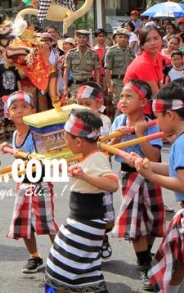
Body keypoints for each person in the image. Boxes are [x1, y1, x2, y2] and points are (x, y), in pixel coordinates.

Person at [133, 84, 184, 292]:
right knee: (179, 258)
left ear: (169, 115)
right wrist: (146, 164)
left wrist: (150, 175)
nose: (156, 122)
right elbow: (177, 169)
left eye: (157, 116)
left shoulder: (183, 143)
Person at [45, 109, 118, 293]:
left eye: (66, 139)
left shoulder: (98, 157)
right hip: (80, 222)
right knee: (73, 268)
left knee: (62, 268)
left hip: (85, 225)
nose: (65, 143)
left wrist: (84, 175)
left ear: (78, 141)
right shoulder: (88, 156)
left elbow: (112, 184)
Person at [109, 80, 164, 291]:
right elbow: (107, 150)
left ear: (143, 102)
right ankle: (144, 264)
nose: (123, 100)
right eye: (121, 96)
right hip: (128, 176)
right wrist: (118, 138)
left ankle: (146, 253)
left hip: (150, 175)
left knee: (153, 218)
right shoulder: (118, 122)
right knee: (135, 221)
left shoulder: (152, 123)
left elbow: (155, 156)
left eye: (128, 96)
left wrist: (140, 135)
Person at [5, 91, 57, 273]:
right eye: (14, 108)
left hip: (40, 182)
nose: (20, 111)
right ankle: (34, 256)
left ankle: (60, 254)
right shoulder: (14, 136)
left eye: (24, 107)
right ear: (8, 114)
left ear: (33, 111)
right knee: (23, 222)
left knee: (47, 220)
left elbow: (38, 157)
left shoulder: (36, 133)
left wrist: (14, 153)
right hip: (22, 183)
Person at [75, 83, 114, 259]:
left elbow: (107, 145)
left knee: (105, 211)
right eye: (81, 104)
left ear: (99, 104)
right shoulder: (75, 123)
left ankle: (103, 236)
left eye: (88, 104)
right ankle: (90, 243)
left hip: (102, 172)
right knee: (85, 209)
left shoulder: (104, 121)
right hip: (81, 172)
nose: (84, 108)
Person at [124, 23, 164, 98]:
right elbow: (155, 94)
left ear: (161, 39)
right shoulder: (143, 64)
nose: (153, 43)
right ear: (142, 45)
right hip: (134, 106)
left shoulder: (158, 56)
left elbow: (160, 84)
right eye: (147, 40)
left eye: (156, 38)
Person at [63, 30, 100, 102]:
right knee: (74, 107)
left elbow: (97, 71)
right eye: (79, 37)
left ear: (88, 39)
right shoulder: (71, 53)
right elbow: (66, 71)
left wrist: (97, 85)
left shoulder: (93, 54)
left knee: (88, 106)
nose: (81, 39)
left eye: (84, 37)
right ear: (76, 39)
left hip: (89, 85)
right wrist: (65, 87)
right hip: (75, 86)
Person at [104, 28, 135, 111]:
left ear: (128, 39)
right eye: (120, 37)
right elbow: (107, 69)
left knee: (129, 103)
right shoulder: (111, 51)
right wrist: (109, 87)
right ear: (116, 38)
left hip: (129, 81)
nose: (122, 39)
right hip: (117, 82)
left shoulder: (131, 51)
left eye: (125, 37)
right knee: (118, 104)